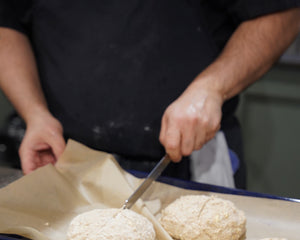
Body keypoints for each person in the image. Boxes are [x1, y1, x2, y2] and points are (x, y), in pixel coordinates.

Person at [0, 1, 299, 189]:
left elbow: (281, 13)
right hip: (56, 155)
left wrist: (213, 86)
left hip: (185, 158)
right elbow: (6, 22)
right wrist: (34, 113)